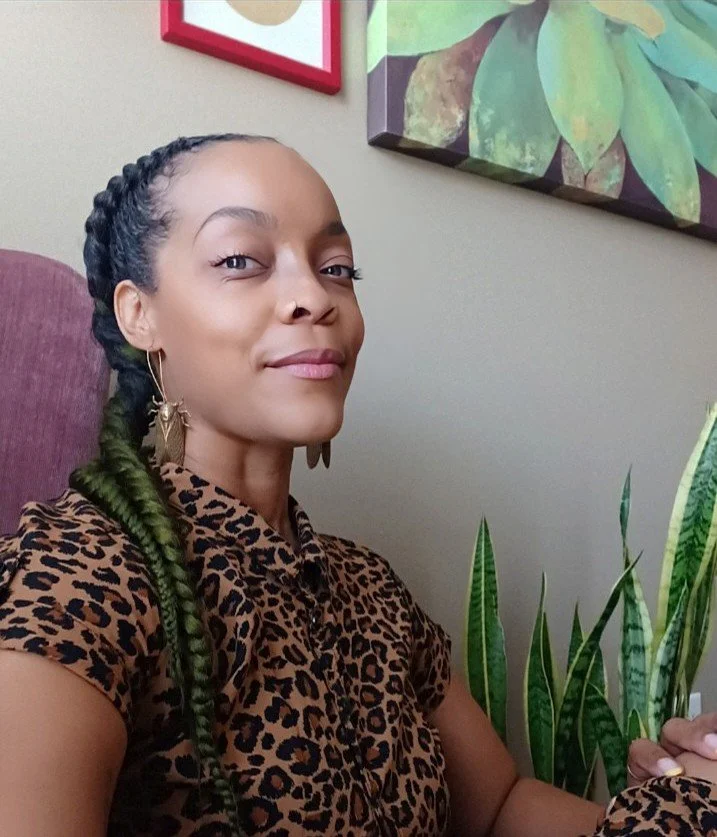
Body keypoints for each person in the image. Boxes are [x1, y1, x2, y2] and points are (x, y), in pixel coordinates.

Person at [0, 133, 716, 837]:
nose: (313, 295)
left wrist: (683, 800)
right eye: (241, 259)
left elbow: (498, 807)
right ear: (140, 314)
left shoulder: (367, 587)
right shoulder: (77, 576)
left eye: (337, 268)